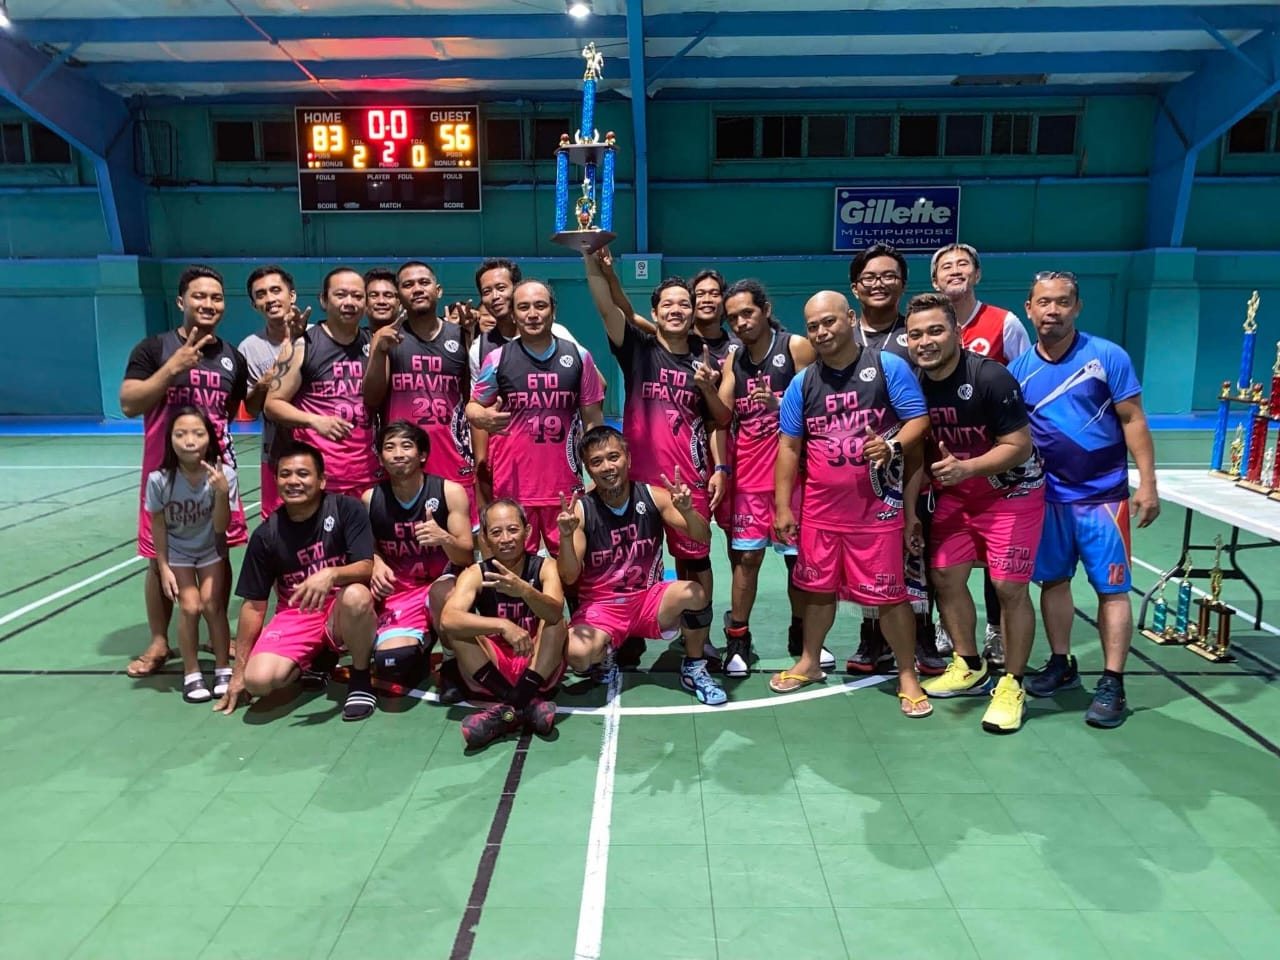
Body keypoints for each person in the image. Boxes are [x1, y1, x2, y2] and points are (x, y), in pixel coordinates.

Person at [772, 291, 932, 718]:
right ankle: (809, 661)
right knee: (816, 590)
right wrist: (783, 507)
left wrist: (892, 444)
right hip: (821, 511)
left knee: (889, 596)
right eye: (813, 326)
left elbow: (919, 419)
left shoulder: (886, 366)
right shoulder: (802, 383)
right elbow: (788, 447)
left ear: (849, 318)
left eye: (829, 321)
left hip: (876, 509)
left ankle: (906, 673)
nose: (822, 332)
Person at [1009, 271, 1159, 728]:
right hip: (1046, 498)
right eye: (1043, 302)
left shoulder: (1106, 357)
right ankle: (1061, 663)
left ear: (1077, 307)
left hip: (1102, 498)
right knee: (1053, 582)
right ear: (1029, 309)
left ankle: (1112, 680)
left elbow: (1133, 419)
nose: (1052, 311)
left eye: (1062, 302)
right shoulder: (1018, 371)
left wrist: (1147, 483)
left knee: (1111, 588)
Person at [904, 294, 1045, 734]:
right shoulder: (916, 384)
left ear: (958, 333)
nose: (925, 341)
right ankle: (968, 663)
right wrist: (910, 512)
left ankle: (1012, 684)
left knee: (1008, 587)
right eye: (915, 334)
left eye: (935, 330)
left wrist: (967, 467)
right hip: (957, 496)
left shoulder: (991, 378)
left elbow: (1018, 445)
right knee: (945, 577)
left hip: (1012, 494)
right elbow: (915, 454)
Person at [583, 251, 730, 668]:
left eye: (684, 303)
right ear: (655, 312)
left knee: (695, 558)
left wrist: (719, 467)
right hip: (637, 481)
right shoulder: (637, 349)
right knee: (630, 555)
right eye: (668, 304)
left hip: (688, 480)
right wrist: (592, 263)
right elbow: (606, 306)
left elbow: (720, 420)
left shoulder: (707, 362)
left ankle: (696, 638)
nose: (678, 310)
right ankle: (624, 632)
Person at [120, 264, 249, 679]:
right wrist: (171, 369)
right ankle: (160, 639)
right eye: (199, 296)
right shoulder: (153, 349)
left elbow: (226, 414)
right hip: (165, 476)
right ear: (181, 301)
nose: (208, 304)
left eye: (216, 297)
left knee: (220, 548)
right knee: (159, 559)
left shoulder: (232, 357)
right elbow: (128, 402)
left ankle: (215, 628)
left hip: (214, 475)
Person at [557, 426, 728, 706]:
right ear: (588, 469)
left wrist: (687, 511)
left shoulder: (653, 496)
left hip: (649, 601)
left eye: (614, 457)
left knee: (693, 593)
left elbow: (703, 536)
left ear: (628, 459)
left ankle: (694, 667)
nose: (607, 467)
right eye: (597, 462)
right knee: (577, 655)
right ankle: (605, 652)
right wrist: (566, 538)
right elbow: (569, 575)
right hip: (602, 607)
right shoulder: (581, 510)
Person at [216, 442, 380, 721]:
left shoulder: (346, 509)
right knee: (259, 680)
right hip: (298, 614)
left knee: (356, 596)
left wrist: (331, 574)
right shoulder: (267, 534)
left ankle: (360, 679)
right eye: (285, 474)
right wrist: (239, 672)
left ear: (321, 480)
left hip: (340, 609)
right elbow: (254, 605)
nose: (293, 481)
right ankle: (317, 659)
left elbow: (367, 567)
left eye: (303, 474)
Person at [931, 242, 1033, 667]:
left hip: (999, 472)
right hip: (947, 473)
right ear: (935, 280)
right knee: (946, 565)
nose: (955, 271)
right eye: (945, 267)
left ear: (977, 274)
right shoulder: (925, 329)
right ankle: (953, 636)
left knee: (1003, 572)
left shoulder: (1004, 323)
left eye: (963, 264)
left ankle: (997, 634)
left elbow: (1025, 381)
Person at [847, 243, 946, 677]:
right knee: (871, 557)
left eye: (889, 276)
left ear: (903, 284)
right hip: (860, 474)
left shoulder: (918, 335)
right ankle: (873, 639)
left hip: (913, 465)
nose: (879, 284)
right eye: (870, 277)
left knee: (915, 550)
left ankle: (923, 635)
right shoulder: (841, 335)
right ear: (855, 288)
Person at [713, 279, 817, 676]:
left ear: (766, 310)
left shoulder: (794, 347)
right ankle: (738, 638)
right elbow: (722, 415)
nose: (740, 322)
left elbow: (818, 404)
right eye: (733, 317)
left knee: (797, 564)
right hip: (749, 479)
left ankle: (803, 636)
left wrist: (781, 403)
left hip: (793, 478)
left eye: (747, 313)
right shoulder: (734, 359)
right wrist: (709, 387)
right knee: (747, 560)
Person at [467, 278, 605, 554]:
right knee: (516, 565)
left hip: (565, 483)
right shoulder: (497, 359)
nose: (532, 314)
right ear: (514, 314)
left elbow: (593, 420)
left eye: (540, 306)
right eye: (524, 307)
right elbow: (472, 406)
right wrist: (482, 417)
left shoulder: (578, 356)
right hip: (514, 482)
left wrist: (594, 473)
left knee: (572, 566)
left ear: (553, 311)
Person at [442, 499, 568, 748]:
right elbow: (447, 619)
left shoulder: (545, 567)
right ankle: (524, 705)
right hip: (496, 667)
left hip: (537, 663)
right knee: (458, 630)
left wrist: (524, 590)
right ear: (486, 540)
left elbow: (554, 612)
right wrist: (502, 625)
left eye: (512, 529)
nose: (506, 538)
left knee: (557, 624)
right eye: (496, 532)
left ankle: (505, 713)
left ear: (527, 532)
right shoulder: (475, 573)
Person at [363, 420, 474, 695]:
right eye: (389, 447)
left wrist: (444, 538)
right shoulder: (370, 499)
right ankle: (424, 642)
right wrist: (376, 562)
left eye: (406, 446)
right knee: (395, 664)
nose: (398, 453)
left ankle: (451, 662)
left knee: (442, 594)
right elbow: (368, 548)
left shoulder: (449, 492)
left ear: (422, 454)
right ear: (381, 457)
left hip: (443, 583)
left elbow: (467, 556)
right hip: (402, 591)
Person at [363, 261, 477, 521]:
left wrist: (471, 333)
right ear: (400, 295)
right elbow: (371, 398)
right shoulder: (388, 337)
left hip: (452, 454)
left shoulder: (461, 334)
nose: (416, 289)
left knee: (461, 543)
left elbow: (474, 395)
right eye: (408, 285)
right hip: (402, 458)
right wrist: (380, 352)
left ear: (438, 291)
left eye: (423, 283)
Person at [146, 407, 237, 702]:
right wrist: (163, 567)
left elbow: (221, 527)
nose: (189, 440)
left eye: (198, 433)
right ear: (169, 439)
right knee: (190, 607)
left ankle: (223, 668)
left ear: (209, 438)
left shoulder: (224, 475)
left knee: (212, 605)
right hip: (179, 553)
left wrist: (222, 493)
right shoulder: (159, 480)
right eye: (180, 433)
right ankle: (192, 672)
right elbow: (158, 524)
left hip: (210, 548)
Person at [265, 266, 379, 497]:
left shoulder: (374, 344)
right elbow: (272, 405)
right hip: (323, 476)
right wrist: (314, 421)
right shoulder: (302, 344)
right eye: (340, 295)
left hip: (371, 474)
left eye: (358, 296)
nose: (350, 302)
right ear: (324, 300)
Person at [241, 264, 310, 520]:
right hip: (277, 454)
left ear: (291, 295)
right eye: (261, 294)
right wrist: (277, 365)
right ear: (254, 304)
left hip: (323, 451)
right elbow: (251, 408)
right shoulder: (250, 348)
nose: (270, 299)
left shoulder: (318, 336)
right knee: (279, 530)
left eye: (275, 290)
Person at [470, 257, 584, 382]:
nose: (495, 296)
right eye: (487, 292)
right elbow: (477, 399)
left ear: (516, 288)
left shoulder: (556, 333)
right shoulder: (479, 349)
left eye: (501, 288)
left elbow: (596, 385)